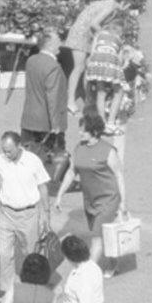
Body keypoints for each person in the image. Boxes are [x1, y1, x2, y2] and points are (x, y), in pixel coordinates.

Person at [56, 111, 126, 274]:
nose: (80, 133)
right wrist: (60, 195)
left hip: (108, 200)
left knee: (96, 237)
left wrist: (123, 202)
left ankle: (86, 273)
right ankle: (113, 262)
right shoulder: (79, 148)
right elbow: (71, 172)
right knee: (104, 235)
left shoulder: (108, 151)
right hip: (90, 201)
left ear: (94, 132)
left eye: (84, 130)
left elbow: (119, 175)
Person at [0, 132, 50, 296]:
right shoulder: (0, 161)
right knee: (3, 253)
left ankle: (32, 286)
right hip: (6, 213)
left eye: (9, 151)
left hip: (28, 215)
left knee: (30, 253)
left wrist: (45, 214)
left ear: (19, 145)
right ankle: (5, 289)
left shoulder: (33, 161)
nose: (6, 154)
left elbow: (43, 187)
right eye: (4, 150)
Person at [20, 29, 67, 149]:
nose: (60, 44)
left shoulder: (31, 60)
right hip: (46, 124)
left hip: (29, 118)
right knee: (52, 161)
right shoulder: (53, 67)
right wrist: (55, 125)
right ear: (50, 45)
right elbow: (53, 98)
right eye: (58, 41)